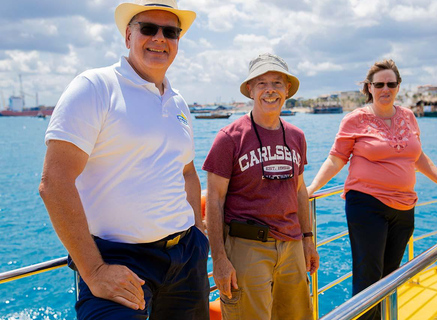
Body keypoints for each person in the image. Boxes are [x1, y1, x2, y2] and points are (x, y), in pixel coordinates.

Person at [38, 1, 210, 319]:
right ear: (128, 36)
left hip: (186, 257)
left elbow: (186, 171)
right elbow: (54, 183)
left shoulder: (178, 102)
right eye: (148, 28)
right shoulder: (94, 87)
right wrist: (94, 270)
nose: (160, 38)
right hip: (118, 259)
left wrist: (198, 233)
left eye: (170, 32)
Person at [306, 59, 437, 320]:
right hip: (367, 205)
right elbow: (336, 159)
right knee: (369, 276)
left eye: (391, 83)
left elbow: (418, 156)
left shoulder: (409, 117)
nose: (385, 89)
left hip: (404, 207)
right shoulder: (355, 120)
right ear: (369, 87)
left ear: (398, 86)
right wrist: (312, 188)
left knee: (391, 275)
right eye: (379, 84)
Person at [203, 53, 319, 320]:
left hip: (291, 247)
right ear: (251, 90)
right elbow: (215, 200)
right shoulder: (229, 138)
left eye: (277, 83)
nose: (270, 90)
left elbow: (300, 191)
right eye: (262, 83)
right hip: (247, 246)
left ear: (287, 89)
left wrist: (308, 241)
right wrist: (219, 259)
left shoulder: (296, 136)